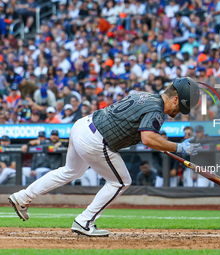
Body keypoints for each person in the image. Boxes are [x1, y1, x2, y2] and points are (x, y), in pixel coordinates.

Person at [9, 77, 200, 237]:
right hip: (97, 139)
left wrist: (156, 141)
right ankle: (84, 221)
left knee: (70, 171)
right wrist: (178, 147)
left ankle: (23, 196)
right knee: (121, 182)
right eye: (182, 108)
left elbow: (140, 130)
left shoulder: (144, 95)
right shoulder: (157, 109)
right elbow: (148, 137)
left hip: (83, 125)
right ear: (176, 99)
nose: (179, 113)